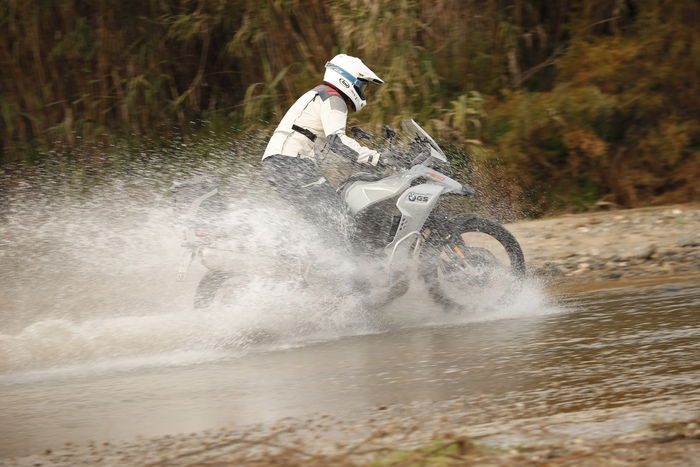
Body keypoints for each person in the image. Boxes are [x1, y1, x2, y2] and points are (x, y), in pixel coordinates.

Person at [261, 54, 385, 246]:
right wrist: (379, 159)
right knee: (342, 219)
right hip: (291, 162)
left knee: (327, 222)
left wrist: (363, 158)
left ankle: (312, 260)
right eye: (361, 85)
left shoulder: (320, 94)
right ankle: (351, 271)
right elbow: (338, 142)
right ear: (347, 79)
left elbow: (330, 147)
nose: (362, 91)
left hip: (280, 162)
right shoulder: (333, 97)